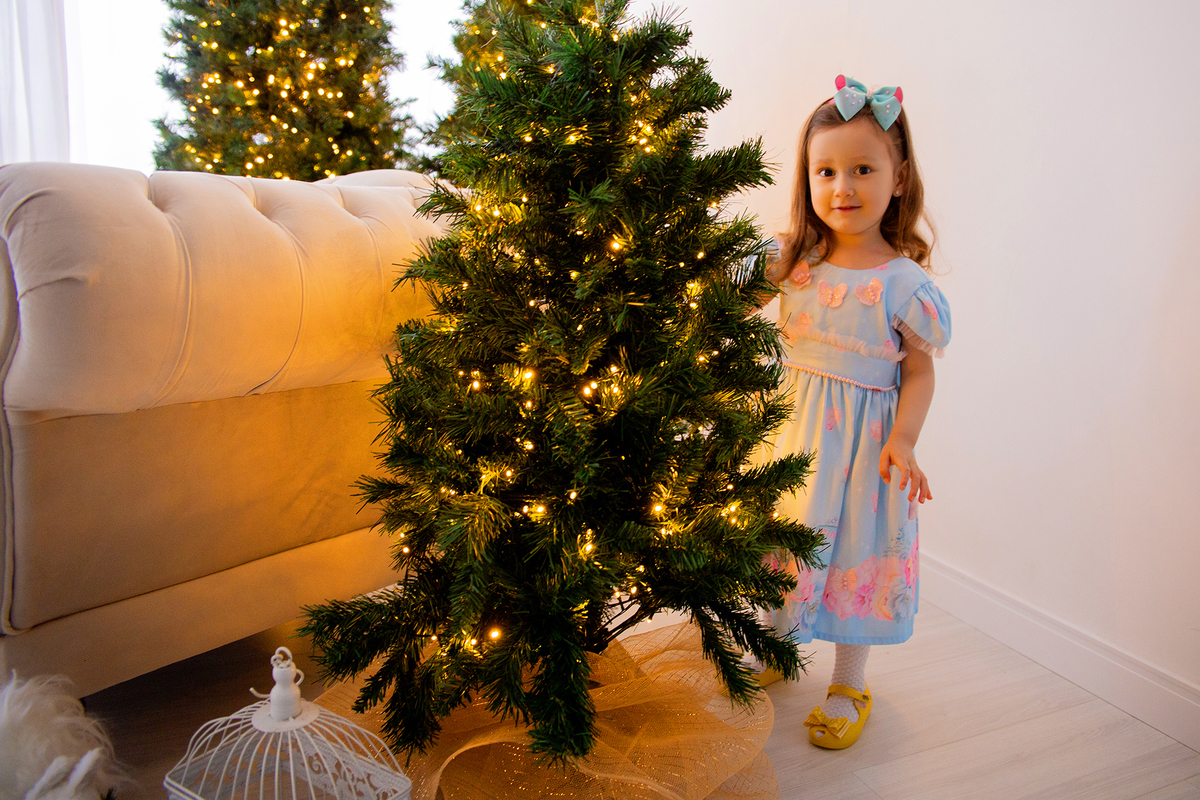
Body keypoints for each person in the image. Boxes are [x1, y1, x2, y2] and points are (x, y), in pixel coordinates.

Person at [756, 75, 951, 749]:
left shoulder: (903, 283)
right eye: (826, 170)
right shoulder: (797, 263)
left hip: (864, 453)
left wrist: (904, 440)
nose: (843, 186)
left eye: (863, 169)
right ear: (807, 180)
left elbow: (920, 372)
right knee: (786, 545)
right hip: (794, 437)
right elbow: (727, 299)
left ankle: (848, 681)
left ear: (898, 179)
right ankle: (776, 648)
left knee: (850, 558)